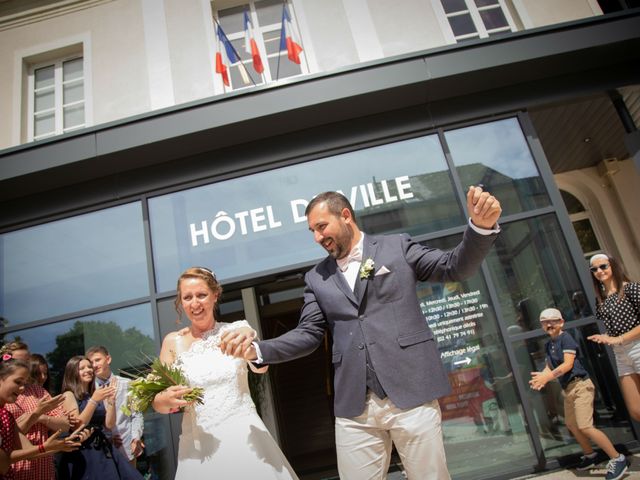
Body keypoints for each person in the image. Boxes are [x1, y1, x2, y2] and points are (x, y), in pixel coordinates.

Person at [222, 187, 501, 479]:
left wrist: (480, 229)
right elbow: (308, 334)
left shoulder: (397, 247)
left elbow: (452, 267)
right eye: (312, 231)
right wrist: (259, 349)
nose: (317, 237)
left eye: (321, 226)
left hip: (412, 390)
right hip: (355, 407)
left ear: (345, 216)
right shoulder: (316, 278)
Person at [151, 266, 298, 479]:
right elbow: (158, 402)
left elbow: (261, 367)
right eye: (187, 297)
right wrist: (166, 399)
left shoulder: (237, 329)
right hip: (198, 447)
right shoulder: (172, 342)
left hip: (243, 436)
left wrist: (249, 341)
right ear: (180, 301)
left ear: (215, 295)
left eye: (201, 295)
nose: (195, 303)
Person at [530, 308, 628, 480]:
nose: (549, 324)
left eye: (553, 320)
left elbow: (568, 365)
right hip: (568, 388)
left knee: (585, 426)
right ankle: (591, 456)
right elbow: (549, 367)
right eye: (545, 321)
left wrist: (548, 377)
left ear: (561, 322)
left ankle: (617, 458)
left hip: (581, 386)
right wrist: (541, 377)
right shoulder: (549, 344)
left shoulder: (565, 338)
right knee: (572, 425)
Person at [0, 354, 86, 480]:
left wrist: (61, 445)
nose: (22, 388)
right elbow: (3, 463)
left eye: (24, 382)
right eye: (18, 382)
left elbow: (29, 452)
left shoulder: (6, 415)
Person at [57, 356, 143, 480]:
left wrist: (112, 401)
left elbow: (109, 424)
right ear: (72, 372)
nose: (88, 370)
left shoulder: (94, 393)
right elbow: (77, 425)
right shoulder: (68, 395)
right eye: (82, 368)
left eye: (89, 367)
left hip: (102, 446)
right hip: (84, 451)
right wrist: (94, 400)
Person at [587, 253, 640, 423]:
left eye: (603, 266)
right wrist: (606, 337)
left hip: (637, 347)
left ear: (613, 266)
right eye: (594, 269)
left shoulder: (631, 289)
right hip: (621, 353)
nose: (599, 271)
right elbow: (614, 329)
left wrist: (619, 338)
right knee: (636, 410)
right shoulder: (601, 300)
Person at [86, 346, 144, 466]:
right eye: (91, 362)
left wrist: (136, 437)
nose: (94, 365)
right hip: (102, 451)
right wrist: (108, 438)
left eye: (97, 360)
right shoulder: (89, 390)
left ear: (108, 359)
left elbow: (136, 415)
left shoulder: (127, 384)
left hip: (127, 449)